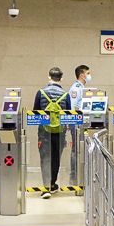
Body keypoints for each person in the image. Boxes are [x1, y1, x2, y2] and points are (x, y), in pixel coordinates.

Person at [34, 67, 71, 199]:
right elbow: (68, 115)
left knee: (45, 158)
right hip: (60, 131)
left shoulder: (41, 93)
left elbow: (35, 112)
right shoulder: (65, 95)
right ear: (61, 79)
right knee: (56, 158)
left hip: (44, 131)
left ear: (49, 78)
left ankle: (45, 188)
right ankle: (53, 184)